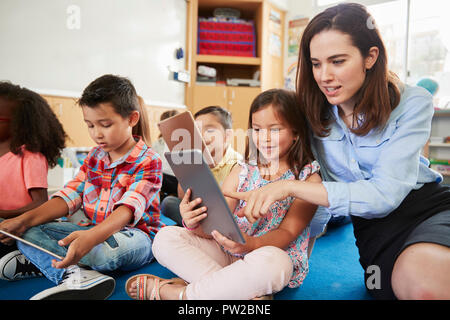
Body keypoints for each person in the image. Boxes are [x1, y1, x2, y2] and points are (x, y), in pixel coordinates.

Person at [225, 3, 450, 300]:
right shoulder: (308, 114)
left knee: (427, 286)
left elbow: (383, 196)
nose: (324, 76)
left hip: (424, 207)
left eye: (338, 61)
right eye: (316, 64)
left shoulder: (413, 102)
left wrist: (289, 187)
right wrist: (298, 251)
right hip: (371, 229)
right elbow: (312, 183)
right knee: (409, 288)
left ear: (371, 57)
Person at [124, 89, 321, 300]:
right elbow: (216, 227)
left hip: (264, 255)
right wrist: (193, 221)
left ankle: (178, 294)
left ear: (297, 132)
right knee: (165, 237)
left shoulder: (308, 179)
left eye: (274, 129)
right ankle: (236, 291)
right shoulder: (243, 169)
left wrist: (251, 244)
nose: (264, 138)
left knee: (276, 263)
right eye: (256, 129)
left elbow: (288, 233)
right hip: (226, 252)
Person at [0, 74, 164, 300]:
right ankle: (75, 273)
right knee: (23, 230)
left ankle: (47, 260)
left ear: (132, 118)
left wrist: (91, 238)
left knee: (107, 254)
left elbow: (126, 211)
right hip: (91, 229)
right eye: (90, 125)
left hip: (134, 237)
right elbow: (69, 196)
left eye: (105, 125)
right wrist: (24, 220)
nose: (97, 133)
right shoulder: (95, 156)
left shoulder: (149, 159)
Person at [0, 81, 66, 260]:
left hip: (19, 226)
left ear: (18, 124)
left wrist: (3, 214)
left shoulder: (30, 156)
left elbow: (41, 202)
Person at [161, 106, 242, 226]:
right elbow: (183, 198)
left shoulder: (237, 164)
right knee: (168, 203)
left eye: (209, 130)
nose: (202, 136)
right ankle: (193, 226)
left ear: (227, 136)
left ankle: (194, 227)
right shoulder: (196, 157)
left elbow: (228, 206)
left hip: (225, 216)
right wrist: (187, 169)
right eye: (197, 130)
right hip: (200, 211)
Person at [152, 109, 180, 200]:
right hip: (161, 178)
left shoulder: (183, 143)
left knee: (159, 177)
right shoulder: (157, 144)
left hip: (177, 180)